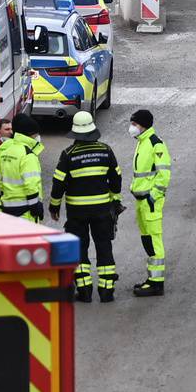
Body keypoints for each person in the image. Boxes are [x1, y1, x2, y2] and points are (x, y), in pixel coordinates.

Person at [49, 111, 123, 302]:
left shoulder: (68, 155)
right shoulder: (105, 150)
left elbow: (59, 184)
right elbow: (116, 178)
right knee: (104, 246)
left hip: (77, 212)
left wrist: (54, 206)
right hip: (102, 210)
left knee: (80, 248)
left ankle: (84, 290)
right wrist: (115, 200)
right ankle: (107, 291)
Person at [127, 109, 172, 296]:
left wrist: (153, 196)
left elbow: (164, 175)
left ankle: (156, 283)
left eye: (134, 124)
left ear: (143, 125)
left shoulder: (156, 144)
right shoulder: (142, 141)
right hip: (141, 200)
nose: (132, 127)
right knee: (147, 239)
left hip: (150, 201)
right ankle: (152, 278)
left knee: (154, 240)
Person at [0, 113, 46, 223]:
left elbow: (0, 179)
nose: (37, 136)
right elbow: (31, 185)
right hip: (25, 211)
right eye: (36, 134)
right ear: (30, 135)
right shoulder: (28, 154)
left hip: (6, 207)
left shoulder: (3, 149)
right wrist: (36, 208)